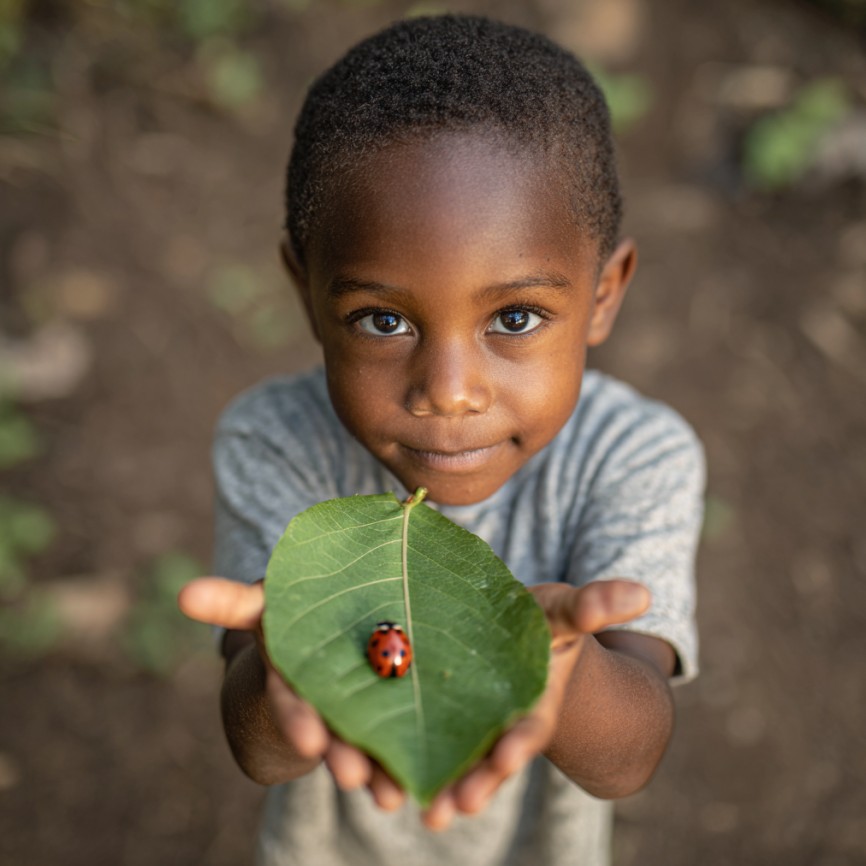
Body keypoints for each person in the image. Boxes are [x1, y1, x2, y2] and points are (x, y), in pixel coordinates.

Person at [178, 14, 705, 866]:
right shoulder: (275, 442)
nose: (449, 391)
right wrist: (282, 662)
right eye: (382, 320)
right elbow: (261, 750)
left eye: (516, 317)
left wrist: (560, 669)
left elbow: (629, 756)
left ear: (605, 294)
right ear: (306, 292)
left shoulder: (634, 456)